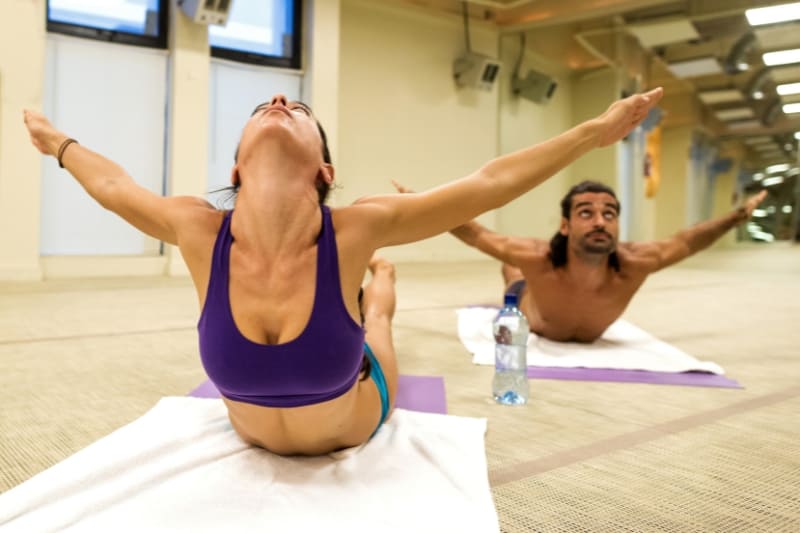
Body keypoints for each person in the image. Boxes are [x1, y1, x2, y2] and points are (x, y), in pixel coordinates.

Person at [23, 87, 662, 455]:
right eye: (266, 106)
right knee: (361, 316)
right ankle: (368, 302)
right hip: (262, 427)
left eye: (298, 107)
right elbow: (111, 185)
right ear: (236, 169)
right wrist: (59, 145)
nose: (277, 100)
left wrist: (593, 133)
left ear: (324, 171)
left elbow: (488, 183)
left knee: (377, 325)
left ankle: (377, 298)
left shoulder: (357, 227)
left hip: (359, 411)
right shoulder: (198, 229)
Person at [394, 179, 766, 344]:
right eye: (586, 213)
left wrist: (735, 217)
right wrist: (424, 204)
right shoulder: (538, 256)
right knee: (513, 273)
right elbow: (478, 235)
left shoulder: (637, 262)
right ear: (566, 224)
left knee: (516, 263)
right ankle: (513, 280)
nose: (600, 221)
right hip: (531, 305)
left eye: (609, 213)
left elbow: (687, 240)